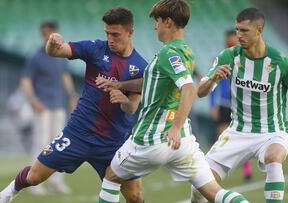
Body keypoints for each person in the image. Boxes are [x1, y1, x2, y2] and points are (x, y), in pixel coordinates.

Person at [96, 1, 249, 203]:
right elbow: (151, 82)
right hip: (183, 142)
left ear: (167, 22)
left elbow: (189, 88)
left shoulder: (168, 53)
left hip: (153, 138)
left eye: (157, 21)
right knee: (214, 191)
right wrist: (118, 85)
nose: (154, 26)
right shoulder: (186, 51)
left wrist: (175, 126)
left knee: (110, 177)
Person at [0, 7, 148, 203]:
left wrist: (123, 99)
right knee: (34, 177)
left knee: (135, 196)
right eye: (107, 33)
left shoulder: (141, 67)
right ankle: (5, 195)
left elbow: (132, 107)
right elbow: (56, 51)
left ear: (130, 32)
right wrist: (52, 43)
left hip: (113, 142)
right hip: (78, 133)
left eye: (115, 34)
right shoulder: (95, 49)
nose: (110, 39)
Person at [191, 7, 288, 203]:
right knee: (200, 185)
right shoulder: (229, 56)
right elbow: (200, 92)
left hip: (272, 131)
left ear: (259, 30)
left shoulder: (280, 63)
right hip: (238, 131)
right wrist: (212, 79)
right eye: (237, 30)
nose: (238, 35)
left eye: (244, 31)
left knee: (273, 157)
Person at [18, 21, 77, 195]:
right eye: (44, 32)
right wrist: (33, 100)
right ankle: (34, 182)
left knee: (58, 145)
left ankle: (56, 182)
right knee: (40, 143)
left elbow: (65, 76)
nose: (47, 36)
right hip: (42, 106)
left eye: (49, 32)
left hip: (57, 105)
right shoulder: (36, 55)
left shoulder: (60, 55)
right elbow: (25, 80)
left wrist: (72, 95)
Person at [209, 30, 253, 182]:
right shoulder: (222, 59)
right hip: (224, 105)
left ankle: (247, 171)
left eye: (233, 41)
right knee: (221, 138)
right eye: (228, 42)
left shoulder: (246, 61)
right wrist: (212, 105)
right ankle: (215, 171)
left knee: (242, 139)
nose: (230, 44)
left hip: (239, 105)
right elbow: (214, 83)